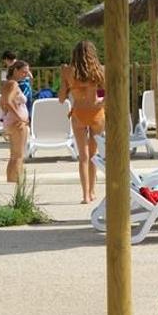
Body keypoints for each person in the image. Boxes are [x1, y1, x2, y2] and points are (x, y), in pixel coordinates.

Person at [59, 40, 105, 204]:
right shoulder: (100, 70)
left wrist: (66, 83)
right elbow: (108, 93)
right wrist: (100, 103)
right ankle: (92, 191)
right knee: (93, 155)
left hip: (79, 113)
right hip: (96, 113)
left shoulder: (68, 71)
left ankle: (85, 195)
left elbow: (61, 97)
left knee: (83, 156)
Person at [0, 60, 30, 182]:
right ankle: (18, 184)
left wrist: (8, 114)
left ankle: (11, 182)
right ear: (16, 70)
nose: (26, 75)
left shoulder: (7, 84)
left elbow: (2, 103)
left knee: (13, 156)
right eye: (24, 72)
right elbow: (7, 102)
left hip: (10, 122)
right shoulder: (14, 84)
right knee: (19, 156)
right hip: (18, 123)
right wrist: (20, 117)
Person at [1, 50, 33, 118]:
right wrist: (29, 87)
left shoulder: (7, 69)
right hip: (27, 89)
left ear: (6, 59)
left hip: (19, 90)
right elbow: (31, 77)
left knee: (18, 109)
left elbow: (4, 83)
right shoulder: (22, 65)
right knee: (27, 110)